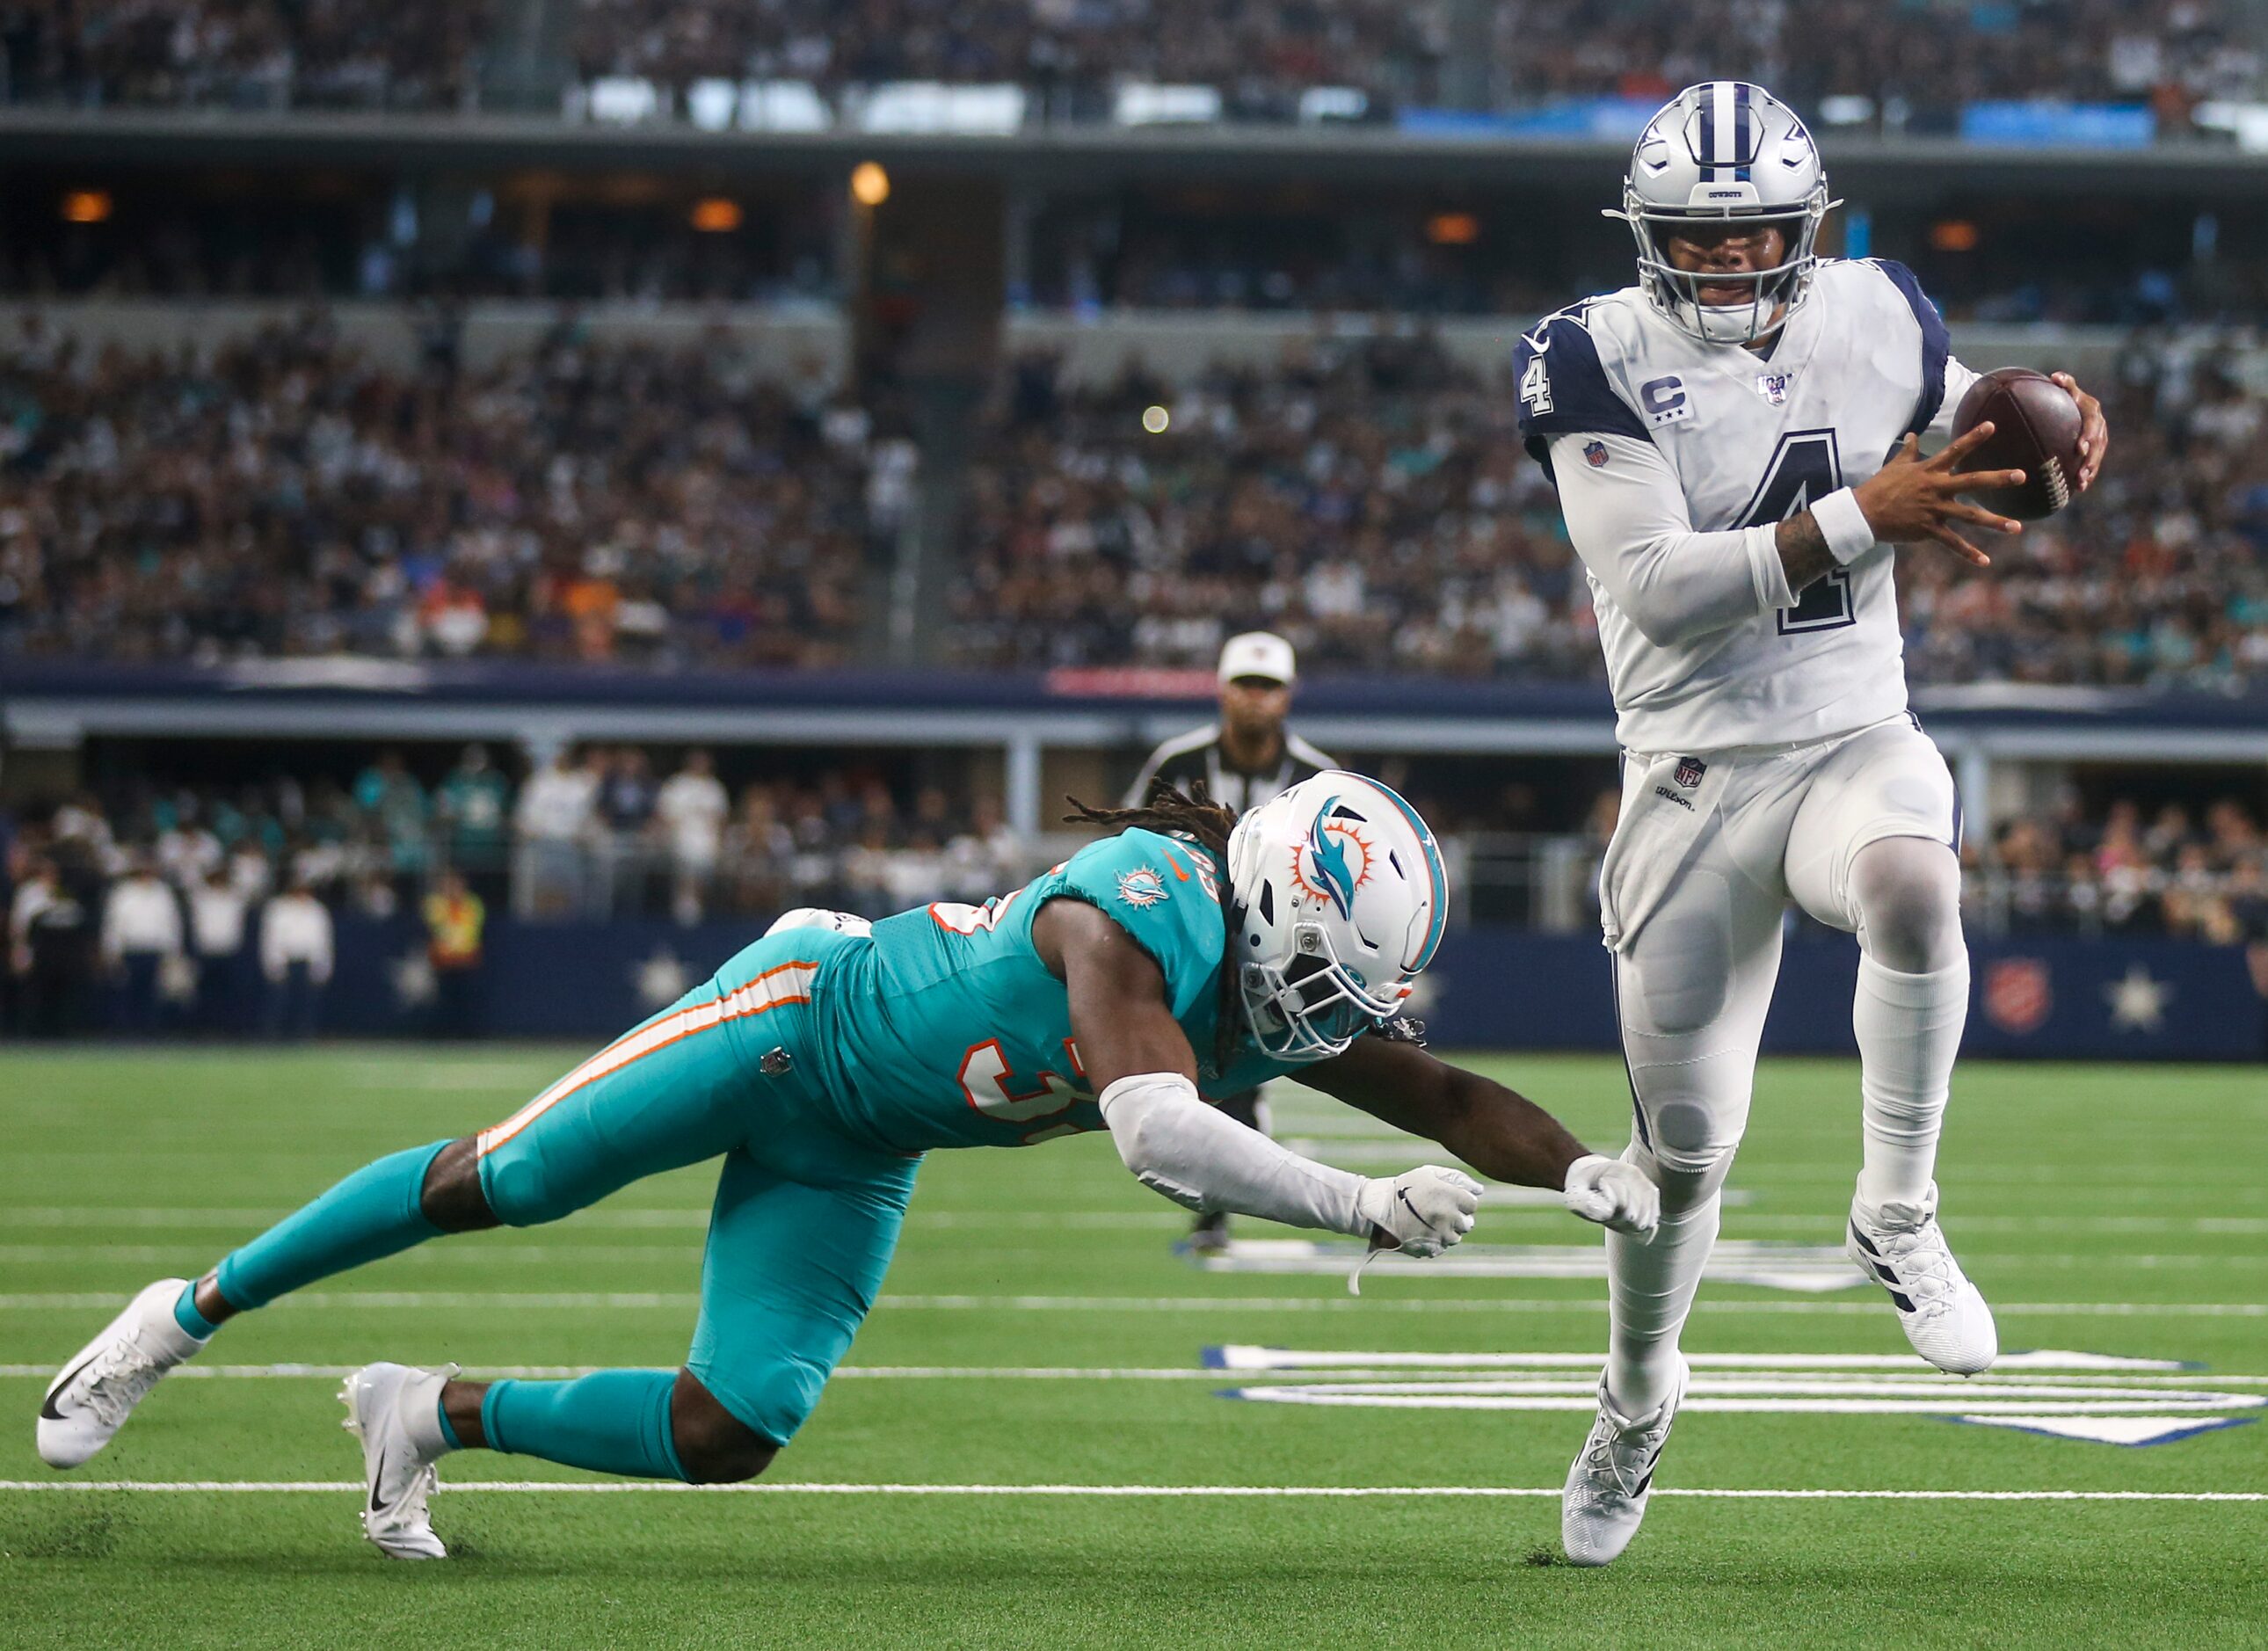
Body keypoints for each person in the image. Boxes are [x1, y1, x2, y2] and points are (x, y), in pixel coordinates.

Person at [37, 773, 1658, 1560]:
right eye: (1319, 963)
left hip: (863, 1136)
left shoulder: (1263, 990)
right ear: (1265, 890)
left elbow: (1445, 1093)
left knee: (730, 1423)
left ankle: (424, 1410)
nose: (1324, 1009)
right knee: (508, 1178)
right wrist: (1359, 1206)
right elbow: (1156, 1131)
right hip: (794, 1024)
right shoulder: (1143, 895)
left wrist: (1591, 1174)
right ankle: (175, 1314)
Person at [1510, 82, 2112, 1566]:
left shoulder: (1883, 308)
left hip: (1853, 736)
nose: (1728, 269)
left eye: (1756, 238)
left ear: (1810, 227)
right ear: (1649, 242)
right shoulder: (1585, 350)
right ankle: (1637, 1396)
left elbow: (1977, 427)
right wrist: (1865, 512)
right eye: (1699, 245)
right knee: (1681, 1164)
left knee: (1916, 882)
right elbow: (1653, 582)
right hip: (1693, 780)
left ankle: (1896, 1212)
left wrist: (2065, 426)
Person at [1125, 629, 1336, 1253]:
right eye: (1246, 684)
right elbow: (1130, 845)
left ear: (1288, 695)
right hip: (1191, 940)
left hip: (1280, 953)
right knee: (1193, 1075)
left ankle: (1220, 1205)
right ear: (1222, 690)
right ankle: (1216, 1198)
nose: (1256, 699)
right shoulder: (1178, 764)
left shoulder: (1317, 775)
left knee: (1244, 1074)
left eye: (1268, 687)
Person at [101, 853, 184, 1038]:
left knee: (152, 994)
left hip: (154, 950)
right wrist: (112, 950)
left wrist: (173, 952)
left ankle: (150, 1031)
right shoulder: (123, 893)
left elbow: (171, 923)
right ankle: (127, 1032)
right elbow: (114, 923)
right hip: (130, 950)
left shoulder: (162, 893)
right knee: (128, 992)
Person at [654, 749, 730, 924]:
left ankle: (699, 903)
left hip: (706, 838)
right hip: (680, 837)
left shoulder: (714, 788)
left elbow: (720, 820)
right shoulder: (677, 785)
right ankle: (684, 902)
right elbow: (665, 816)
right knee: (687, 852)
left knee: (706, 853)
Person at [258, 876, 334, 1041]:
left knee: (307, 1002)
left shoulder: (317, 910)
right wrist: (273, 963)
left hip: (307, 960)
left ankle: (305, 1035)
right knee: (278, 1001)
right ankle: (272, 1035)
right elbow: (270, 938)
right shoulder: (277, 908)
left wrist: (322, 965)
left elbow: (323, 940)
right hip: (284, 960)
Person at [422, 869, 486, 1040]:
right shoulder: (436, 903)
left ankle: (466, 1035)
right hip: (443, 961)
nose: (453, 888)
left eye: (456, 884)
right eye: (449, 884)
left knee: (466, 1001)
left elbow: (471, 928)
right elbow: (436, 924)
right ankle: (442, 1035)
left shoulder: (472, 903)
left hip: (465, 960)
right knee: (443, 1001)